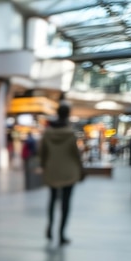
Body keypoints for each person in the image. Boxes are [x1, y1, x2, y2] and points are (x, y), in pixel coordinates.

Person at [40, 103, 83, 246]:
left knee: (52, 200)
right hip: (69, 172)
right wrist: (81, 170)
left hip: (52, 170)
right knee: (66, 203)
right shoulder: (70, 133)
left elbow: (42, 153)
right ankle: (61, 234)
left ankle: (50, 227)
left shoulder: (48, 132)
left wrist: (44, 166)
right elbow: (75, 154)